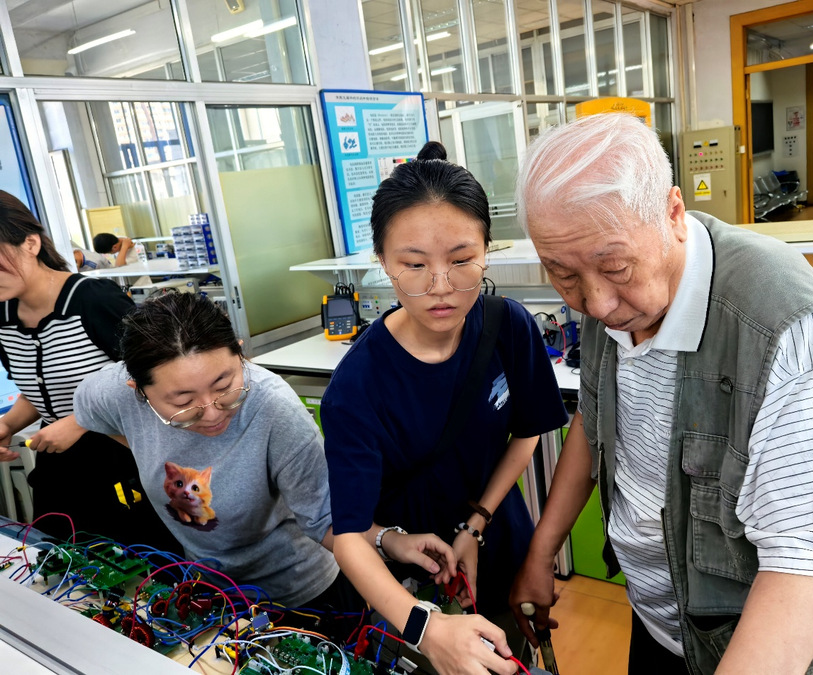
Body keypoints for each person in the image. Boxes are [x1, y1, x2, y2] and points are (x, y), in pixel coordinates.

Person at [509, 113, 813, 674]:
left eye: (615, 267)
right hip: (658, 620)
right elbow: (593, 421)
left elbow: (801, 570)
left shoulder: (778, 321)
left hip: (756, 641)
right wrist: (542, 551)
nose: (595, 304)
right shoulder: (605, 286)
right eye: (562, 274)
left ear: (673, 213)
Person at [322, 141, 569, 674]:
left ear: (487, 251)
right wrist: (424, 629)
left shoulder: (508, 326)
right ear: (382, 262)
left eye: (461, 261)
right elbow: (349, 539)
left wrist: (476, 525)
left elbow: (527, 432)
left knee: (508, 655)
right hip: (412, 576)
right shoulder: (357, 385)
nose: (441, 287)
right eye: (414, 265)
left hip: (498, 535)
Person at [73, 292, 354, 611]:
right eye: (183, 403)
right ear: (137, 390)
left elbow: (325, 519)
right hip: (207, 587)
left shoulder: (274, 408)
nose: (211, 414)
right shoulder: (112, 392)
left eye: (224, 387)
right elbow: (87, 408)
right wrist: (143, 445)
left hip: (298, 591)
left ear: (240, 354)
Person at [0, 190, 171, 546]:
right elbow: (44, 390)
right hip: (57, 467)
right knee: (58, 563)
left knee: (140, 567)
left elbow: (161, 379)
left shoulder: (93, 300)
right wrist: (7, 424)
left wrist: (82, 420)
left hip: (120, 459)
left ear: (30, 243)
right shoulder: (3, 317)